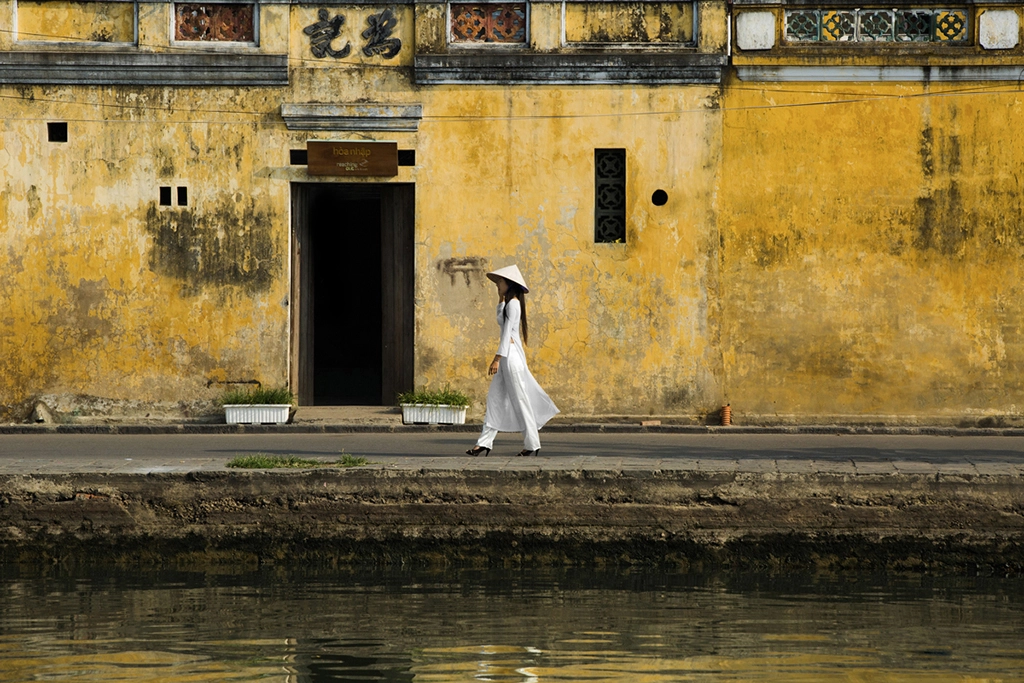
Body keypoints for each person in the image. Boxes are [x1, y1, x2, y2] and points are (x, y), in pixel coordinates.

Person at [467, 265, 559, 457]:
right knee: (495, 399)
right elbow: (502, 322)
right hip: (506, 358)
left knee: (520, 401)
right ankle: (484, 443)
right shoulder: (509, 304)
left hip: (510, 358)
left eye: (500, 282)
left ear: (509, 284)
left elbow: (507, 332)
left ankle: (532, 443)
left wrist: (496, 359)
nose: (497, 285)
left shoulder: (514, 304)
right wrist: (500, 299)